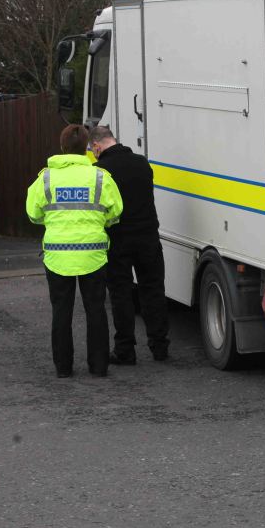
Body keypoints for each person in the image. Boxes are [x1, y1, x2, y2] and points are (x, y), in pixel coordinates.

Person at [26, 124, 123, 378]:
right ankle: (99, 366)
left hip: (58, 256)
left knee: (61, 311)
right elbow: (115, 212)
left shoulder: (46, 178)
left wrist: (51, 221)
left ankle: (63, 367)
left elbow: (33, 213)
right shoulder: (101, 177)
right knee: (96, 309)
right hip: (93, 255)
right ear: (87, 149)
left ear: (62, 147)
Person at [88, 126, 170, 364]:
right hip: (148, 237)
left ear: (97, 145)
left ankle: (125, 349)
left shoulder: (100, 171)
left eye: (93, 150)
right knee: (153, 290)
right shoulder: (142, 163)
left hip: (118, 240)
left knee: (120, 294)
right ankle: (160, 346)